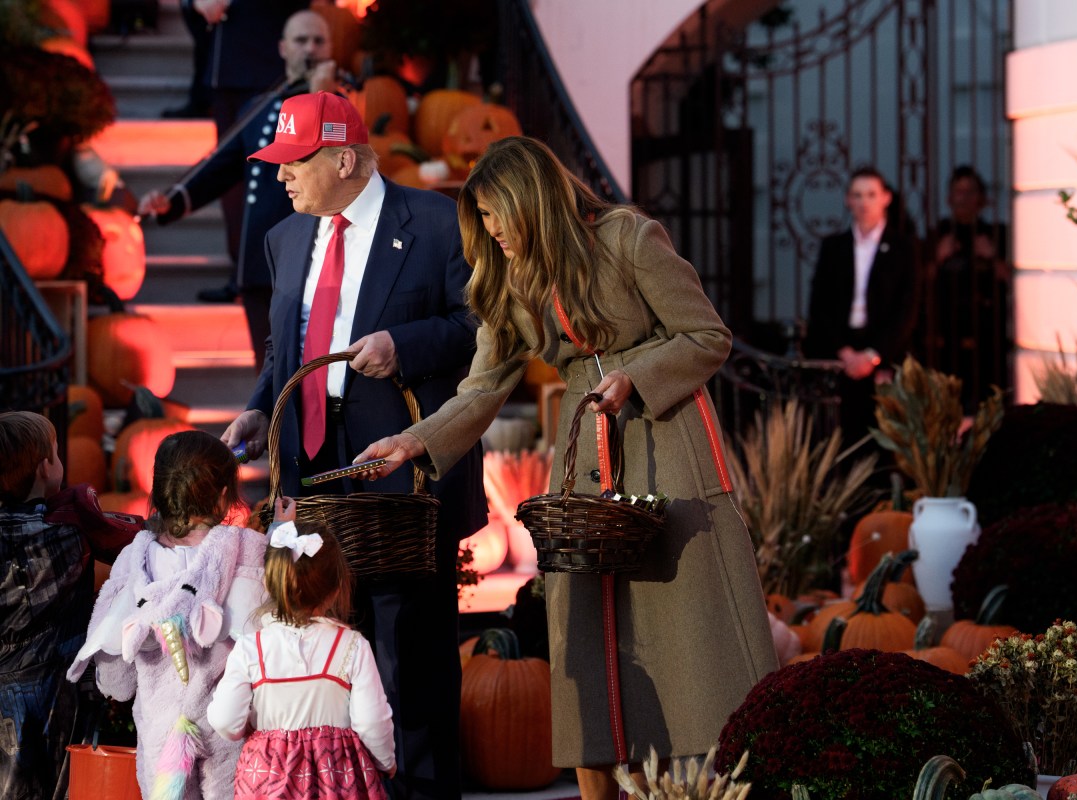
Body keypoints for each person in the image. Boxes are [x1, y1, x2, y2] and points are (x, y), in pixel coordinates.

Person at [352, 136, 779, 800]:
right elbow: (482, 387)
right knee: (590, 627)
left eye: (498, 216)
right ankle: (604, 785)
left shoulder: (630, 238)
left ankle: (714, 781)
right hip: (586, 458)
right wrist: (412, 442)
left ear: (533, 202)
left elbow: (708, 336)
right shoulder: (503, 278)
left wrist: (634, 377)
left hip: (667, 443)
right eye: (483, 222)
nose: (492, 234)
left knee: (684, 629)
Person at [219, 91, 487, 800]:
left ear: (343, 157)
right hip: (313, 477)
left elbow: (481, 332)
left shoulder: (436, 223)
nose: (280, 176)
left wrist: (404, 344)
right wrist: (255, 409)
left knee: (412, 661)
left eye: (293, 161)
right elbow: (285, 345)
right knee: (333, 657)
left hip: (405, 473)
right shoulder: (284, 238)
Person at [68, 431, 268, 799]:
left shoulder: (134, 561)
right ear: (225, 497)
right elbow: (277, 631)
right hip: (231, 730)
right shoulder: (250, 553)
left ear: (158, 496)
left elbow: (115, 680)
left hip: (160, 739)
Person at [139, 9, 340, 370]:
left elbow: (330, 164)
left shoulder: (344, 104)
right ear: (282, 48)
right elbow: (220, 168)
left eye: (318, 40)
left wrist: (321, 95)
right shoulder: (259, 107)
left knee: (310, 374)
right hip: (260, 262)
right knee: (266, 375)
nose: (310, 48)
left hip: (314, 263)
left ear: (331, 47)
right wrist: (170, 202)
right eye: (300, 40)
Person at [207, 498, 396, 798]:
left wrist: (251, 731)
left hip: (268, 782)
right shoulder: (350, 646)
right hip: (337, 781)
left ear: (271, 584)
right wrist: (386, 761)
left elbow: (225, 719)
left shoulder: (251, 647)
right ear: (336, 587)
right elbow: (371, 721)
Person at [0, 412, 140, 800]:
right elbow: (132, 541)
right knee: (62, 782)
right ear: (46, 467)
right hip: (59, 692)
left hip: (5, 691)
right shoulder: (69, 531)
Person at [189, 0, 312, 305]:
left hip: (266, 64)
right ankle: (242, 273)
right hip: (225, 69)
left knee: (276, 183)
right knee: (233, 178)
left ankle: (268, 275)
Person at [804, 165, 919, 445]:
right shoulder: (834, 247)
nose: (864, 202)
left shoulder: (904, 247)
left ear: (886, 198)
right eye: (857, 195)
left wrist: (873, 355)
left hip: (882, 355)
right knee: (838, 438)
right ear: (848, 200)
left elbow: (907, 309)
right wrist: (844, 352)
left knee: (884, 440)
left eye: (871, 194)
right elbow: (820, 305)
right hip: (840, 354)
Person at [920, 164, 1012, 408]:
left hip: (988, 337)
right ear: (949, 198)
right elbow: (917, 283)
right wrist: (938, 257)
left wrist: (992, 257)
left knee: (987, 405)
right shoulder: (937, 233)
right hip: (944, 338)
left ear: (981, 199)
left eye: (970, 192)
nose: (963, 199)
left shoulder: (997, 233)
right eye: (958, 192)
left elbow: (1015, 280)